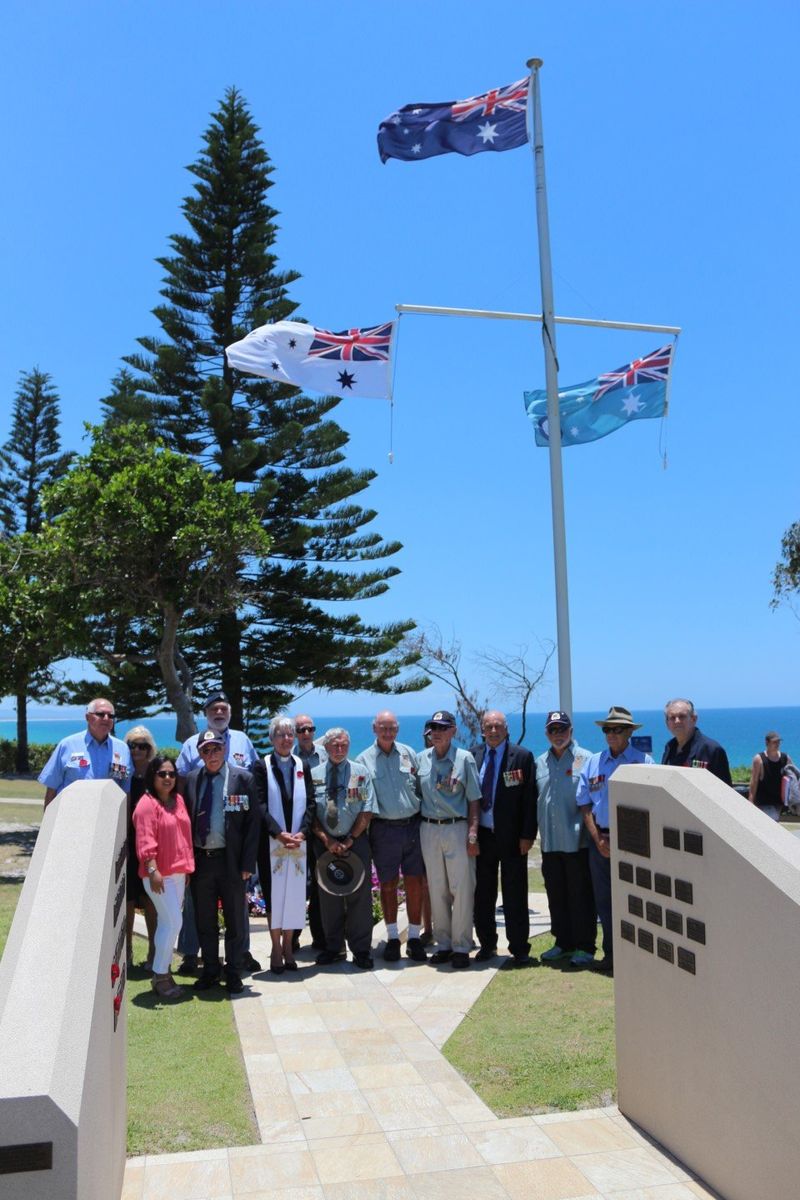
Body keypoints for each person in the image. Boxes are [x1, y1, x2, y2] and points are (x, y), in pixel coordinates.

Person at [176, 689, 260, 973]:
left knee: (238, 910)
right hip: (201, 846)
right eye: (214, 709)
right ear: (206, 714)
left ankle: (241, 956)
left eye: (224, 709)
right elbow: (180, 786)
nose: (219, 713)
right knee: (198, 907)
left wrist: (248, 859)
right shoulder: (190, 745)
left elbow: (253, 788)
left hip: (233, 846)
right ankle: (191, 953)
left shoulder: (243, 741)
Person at [577, 706, 653, 976]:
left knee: (635, 901)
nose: (610, 734)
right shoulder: (593, 763)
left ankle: (637, 959)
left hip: (633, 843)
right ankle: (611, 955)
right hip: (600, 842)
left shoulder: (644, 763)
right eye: (607, 729)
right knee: (605, 902)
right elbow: (584, 804)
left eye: (617, 729)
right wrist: (598, 839)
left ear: (630, 732)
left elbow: (651, 807)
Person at [357, 710, 427, 962]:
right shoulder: (364, 760)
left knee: (415, 882)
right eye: (383, 728)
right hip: (383, 829)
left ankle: (416, 937)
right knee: (387, 884)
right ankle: (393, 937)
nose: (388, 732)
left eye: (392, 728)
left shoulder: (409, 754)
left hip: (413, 827)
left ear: (397, 729)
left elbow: (421, 787)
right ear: (374, 729)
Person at [470, 710, 537, 968]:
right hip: (483, 837)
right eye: (489, 726)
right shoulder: (473, 756)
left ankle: (520, 948)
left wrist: (527, 835)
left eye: (498, 726)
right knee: (483, 894)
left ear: (506, 729)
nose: (494, 731)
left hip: (512, 838)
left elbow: (530, 800)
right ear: (482, 730)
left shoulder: (521, 756)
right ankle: (487, 944)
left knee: (515, 894)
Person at [415, 710, 481, 969]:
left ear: (453, 731)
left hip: (457, 828)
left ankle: (462, 946)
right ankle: (443, 944)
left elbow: (474, 799)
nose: (438, 732)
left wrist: (473, 833)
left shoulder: (465, 759)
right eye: (434, 727)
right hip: (429, 828)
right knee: (436, 888)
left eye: (443, 727)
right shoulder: (421, 760)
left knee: (462, 889)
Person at [252, 715, 315, 973]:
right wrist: (278, 833)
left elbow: (311, 803)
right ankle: (275, 948)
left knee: (294, 897)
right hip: (271, 843)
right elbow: (259, 805)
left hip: (298, 843)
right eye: (280, 734)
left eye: (290, 734)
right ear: (271, 738)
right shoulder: (261, 766)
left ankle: (289, 946)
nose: (286, 739)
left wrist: (302, 832)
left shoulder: (303, 765)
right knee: (275, 896)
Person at [310, 727, 377, 969]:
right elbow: (310, 812)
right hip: (324, 844)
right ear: (326, 747)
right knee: (329, 898)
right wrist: (327, 840)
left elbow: (367, 809)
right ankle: (333, 947)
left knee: (360, 898)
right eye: (335, 745)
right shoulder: (314, 774)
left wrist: (350, 839)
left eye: (344, 745)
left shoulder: (361, 773)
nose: (340, 749)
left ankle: (361, 950)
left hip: (355, 842)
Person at [535, 711, 597, 968]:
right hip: (549, 843)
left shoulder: (588, 759)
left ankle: (585, 947)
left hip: (578, 842)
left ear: (571, 730)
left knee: (581, 896)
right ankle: (563, 942)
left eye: (562, 729)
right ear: (546, 733)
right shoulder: (540, 762)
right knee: (556, 895)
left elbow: (596, 798)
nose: (558, 734)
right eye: (553, 730)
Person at [132, 755, 195, 1000]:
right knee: (173, 923)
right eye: (162, 774)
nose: (168, 778)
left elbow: (182, 836)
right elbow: (145, 840)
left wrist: (186, 869)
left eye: (171, 773)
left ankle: (164, 972)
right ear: (153, 776)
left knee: (169, 924)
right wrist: (152, 869)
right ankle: (159, 975)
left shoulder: (178, 800)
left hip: (179, 872)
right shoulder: (146, 804)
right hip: (158, 874)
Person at [39, 697, 132, 808]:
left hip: (106, 818)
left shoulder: (122, 749)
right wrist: (48, 823)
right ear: (87, 717)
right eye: (101, 714)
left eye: (111, 716)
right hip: (70, 816)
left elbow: (125, 791)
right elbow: (52, 788)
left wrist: (124, 824)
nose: (106, 718)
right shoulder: (67, 745)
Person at [124, 726, 159, 970]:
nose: (137, 750)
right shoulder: (121, 774)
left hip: (149, 845)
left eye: (142, 745)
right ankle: (125, 952)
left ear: (150, 749)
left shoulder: (156, 776)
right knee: (126, 900)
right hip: (125, 843)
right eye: (132, 745)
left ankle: (153, 953)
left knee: (150, 901)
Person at [294, 713, 327, 950]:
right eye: (300, 730)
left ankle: (320, 936)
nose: (306, 733)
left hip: (322, 830)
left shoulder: (325, 756)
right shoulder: (289, 757)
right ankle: (292, 936)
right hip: (295, 831)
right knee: (295, 885)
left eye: (309, 729)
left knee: (318, 886)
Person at [661, 699, 732, 786]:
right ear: (667, 723)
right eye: (672, 718)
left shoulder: (711, 749)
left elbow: (725, 789)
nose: (677, 721)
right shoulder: (669, 747)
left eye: (682, 716)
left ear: (693, 719)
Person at [749, 732, 794, 821]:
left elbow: (794, 776)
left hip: (779, 802)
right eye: (774, 742)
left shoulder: (785, 758)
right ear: (767, 743)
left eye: (778, 742)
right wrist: (750, 800)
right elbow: (754, 781)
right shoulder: (759, 759)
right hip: (764, 802)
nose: (777, 744)